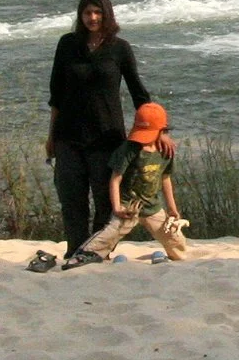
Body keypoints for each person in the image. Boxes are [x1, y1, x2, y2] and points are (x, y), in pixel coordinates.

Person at [45, 0, 171, 261]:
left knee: (106, 201)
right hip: (68, 135)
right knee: (72, 201)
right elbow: (56, 93)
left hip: (106, 137)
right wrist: (51, 136)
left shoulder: (119, 48)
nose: (92, 18)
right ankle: (74, 252)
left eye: (98, 12)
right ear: (80, 15)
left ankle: (96, 252)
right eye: (87, 12)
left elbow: (139, 93)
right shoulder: (67, 44)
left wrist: (160, 131)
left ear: (107, 15)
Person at [70, 101, 190, 268]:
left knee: (175, 240)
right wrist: (117, 207)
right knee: (109, 235)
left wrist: (172, 208)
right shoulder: (129, 149)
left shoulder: (165, 151)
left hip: (152, 206)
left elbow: (165, 179)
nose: (144, 140)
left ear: (161, 132)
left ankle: (177, 258)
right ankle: (84, 255)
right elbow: (115, 178)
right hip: (129, 206)